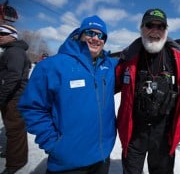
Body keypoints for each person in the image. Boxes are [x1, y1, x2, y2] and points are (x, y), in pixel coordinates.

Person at [18, 15, 118, 174]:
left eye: (101, 35)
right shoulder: (52, 66)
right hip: (67, 162)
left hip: (101, 156)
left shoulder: (109, 66)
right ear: (80, 34)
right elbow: (32, 108)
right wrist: (53, 143)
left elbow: (131, 59)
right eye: (90, 33)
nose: (95, 38)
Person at [115, 8, 180, 174]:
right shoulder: (128, 58)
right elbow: (105, 86)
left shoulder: (179, 59)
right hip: (135, 132)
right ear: (142, 28)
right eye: (150, 25)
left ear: (166, 31)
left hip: (164, 133)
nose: (155, 31)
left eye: (161, 27)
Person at [0, 24, 30, 174]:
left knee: (15, 131)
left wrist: (2, 97)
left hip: (14, 98)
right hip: (12, 97)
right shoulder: (11, 50)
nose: (0, 36)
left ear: (13, 36)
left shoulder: (14, 51)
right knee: (13, 130)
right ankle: (14, 154)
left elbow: (13, 76)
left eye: (2, 33)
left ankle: (16, 163)